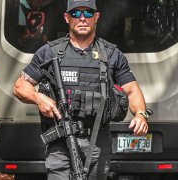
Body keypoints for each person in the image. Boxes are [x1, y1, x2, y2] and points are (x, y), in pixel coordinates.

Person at [13, 0, 149, 179]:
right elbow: (20, 86)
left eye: (88, 13)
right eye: (76, 14)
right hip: (60, 140)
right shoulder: (50, 53)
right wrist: (38, 98)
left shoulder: (112, 55)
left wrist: (140, 114)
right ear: (67, 18)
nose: (82, 18)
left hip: (97, 140)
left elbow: (132, 90)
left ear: (97, 17)